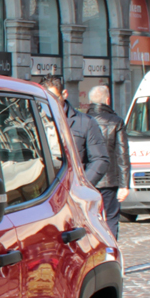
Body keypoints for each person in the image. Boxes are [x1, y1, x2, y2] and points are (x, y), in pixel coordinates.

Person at [39, 75, 110, 221]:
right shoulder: (33, 122)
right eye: (45, 98)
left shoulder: (85, 122)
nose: (49, 103)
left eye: (54, 97)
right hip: (42, 195)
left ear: (64, 94)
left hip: (74, 193)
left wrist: (81, 187)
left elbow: (100, 159)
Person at [86, 85, 131, 238]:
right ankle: (111, 253)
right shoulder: (115, 121)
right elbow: (122, 154)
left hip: (88, 178)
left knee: (89, 219)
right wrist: (124, 185)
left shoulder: (81, 120)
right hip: (109, 182)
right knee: (111, 218)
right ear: (107, 100)